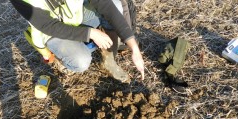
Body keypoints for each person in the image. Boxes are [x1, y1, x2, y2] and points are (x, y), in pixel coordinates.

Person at [9, 0, 145, 83]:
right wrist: (90, 33)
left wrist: (134, 47)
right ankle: (58, 59)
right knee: (81, 61)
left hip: (75, 17)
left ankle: (109, 62)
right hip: (51, 32)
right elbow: (47, 26)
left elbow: (105, 5)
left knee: (115, 4)